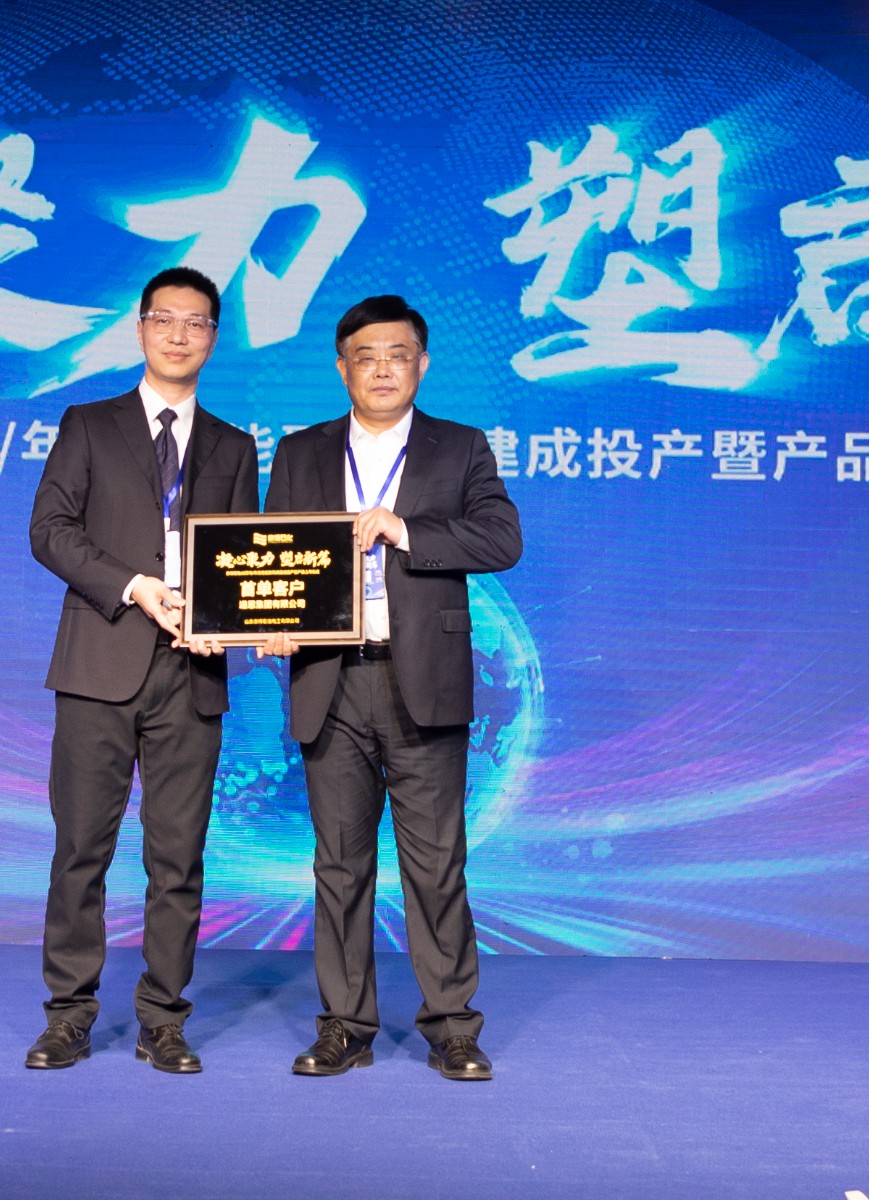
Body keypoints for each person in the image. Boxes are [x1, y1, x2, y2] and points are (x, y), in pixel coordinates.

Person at [261, 294, 522, 1081]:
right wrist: (273, 622)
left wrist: (405, 530)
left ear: (422, 363)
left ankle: (452, 1026)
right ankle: (345, 1025)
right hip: (330, 681)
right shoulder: (302, 451)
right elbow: (275, 553)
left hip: (424, 681)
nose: (382, 369)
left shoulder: (460, 447)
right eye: (366, 357)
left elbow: (502, 539)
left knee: (435, 864)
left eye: (398, 355)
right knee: (339, 866)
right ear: (342, 368)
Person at [25, 267, 257, 1073]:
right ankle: (69, 1015)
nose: (179, 335)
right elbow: (50, 530)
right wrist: (133, 586)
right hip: (100, 662)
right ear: (141, 328)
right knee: (80, 850)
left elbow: (243, 558)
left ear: (213, 339)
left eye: (197, 323)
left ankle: (164, 1018)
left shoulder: (234, 446)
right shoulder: (89, 424)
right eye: (165, 319)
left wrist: (227, 624)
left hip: (191, 673)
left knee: (178, 857)